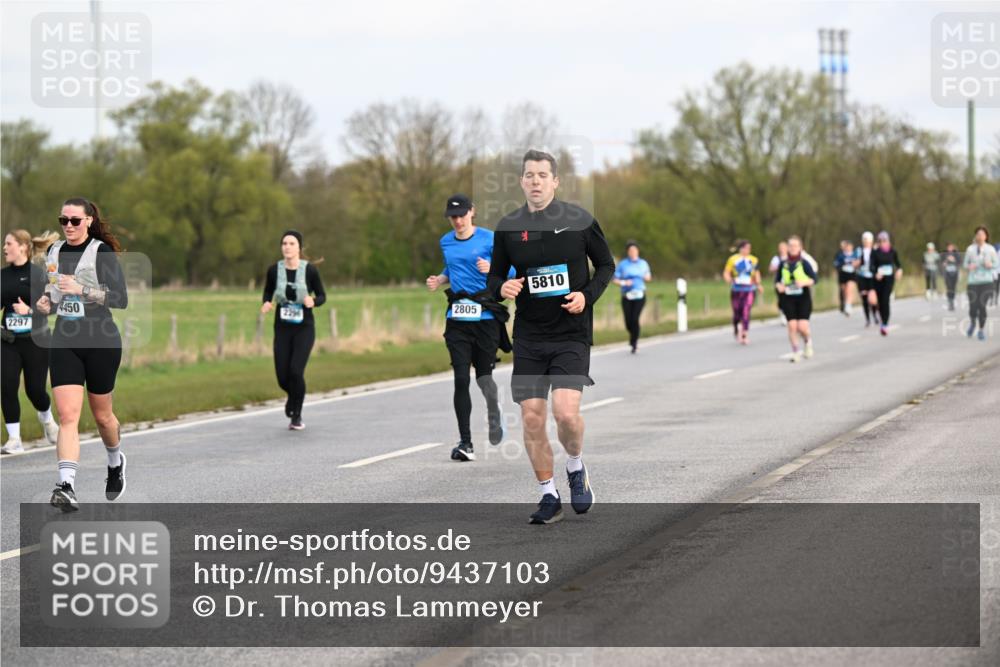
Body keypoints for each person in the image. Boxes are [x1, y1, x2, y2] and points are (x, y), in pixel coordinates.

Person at [487, 149, 614, 525]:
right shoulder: (509, 227)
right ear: (522, 182)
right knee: (531, 417)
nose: (536, 181)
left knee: (565, 414)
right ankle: (548, 494)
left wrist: (586, 296)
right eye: (529, 175)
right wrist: (503, 286)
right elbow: (494, 277)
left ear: (555, 181)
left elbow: (606, 264)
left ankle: (575, 465)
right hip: (529, 335)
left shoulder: (579, 220)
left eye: (543, 175)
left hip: (571, 334)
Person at [34, 198, 128, 512]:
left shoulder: (100, 252)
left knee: (102, 416)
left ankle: (115, 461)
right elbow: (54, 294)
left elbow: (120, 299)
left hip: (101, 339)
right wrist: (48, 304)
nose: (69, 226)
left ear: (88, 221)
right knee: (68, 416)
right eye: (64, 220)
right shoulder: (54, 252)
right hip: (65, 339)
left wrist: (82, 290)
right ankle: (67, 486)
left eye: (75, 220)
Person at [426, 194, 511, 462]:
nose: (458, 220)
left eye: (462, 214)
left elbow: (510, 270)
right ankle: (466, 443)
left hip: (485, 319)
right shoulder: (446, 241)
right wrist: (440, 279)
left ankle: (494, 414)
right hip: (458, 318)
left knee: (483, 377)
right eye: (453, 217)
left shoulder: (489, 238)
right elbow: (452, 267)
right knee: (461, 378)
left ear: (472, 212)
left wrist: (492, 269)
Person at [2, 230, 61, 454]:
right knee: (7, 386)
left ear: (23, 247)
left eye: (9, 244)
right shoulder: (2, 276)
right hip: (8, 340)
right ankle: (14, 439)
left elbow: (52, 307)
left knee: (35, 390)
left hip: (37, 340)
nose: (5, 248)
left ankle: (47, 420)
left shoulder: (38, 274)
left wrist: (30, 310)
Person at [261, 231, 326, 430]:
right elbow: (268, 290)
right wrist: (266, 302)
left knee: (296, 372)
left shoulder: (310, 271)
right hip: (282, 328)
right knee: (282, 376)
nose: (287, 246)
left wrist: (312, 301)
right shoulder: (274, 270)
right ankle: (292, 396)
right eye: (284, 243)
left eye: (292, 243)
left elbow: (322, 296)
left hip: (304, 328)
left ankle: (296, 415)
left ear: (299, 248)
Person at [775, 236, 817, 363]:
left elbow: (814, 279)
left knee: (802, 327)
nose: (793, 248)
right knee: (792, 326)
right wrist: (779, 287)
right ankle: (795, 351)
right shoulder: (783, 264)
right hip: (788, 298)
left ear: (800, 248)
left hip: (803, 297)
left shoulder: (804, 263)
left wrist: (804, 283)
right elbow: (777, 281)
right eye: (791, 245)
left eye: (795, 246)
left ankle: (808, 342)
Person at [613, 241, 652, 353]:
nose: (632, 252)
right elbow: (615, 279)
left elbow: (649, 277)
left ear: (638, 251)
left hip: (640, 294)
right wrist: (624, 283)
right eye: (630, 251)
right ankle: (633, 336)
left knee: (635, 318)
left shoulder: (643, 263)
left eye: (634, 250)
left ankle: (634, 343)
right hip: (627, 295)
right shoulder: (623, 264)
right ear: (627, 252)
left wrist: (646, 277)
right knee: (628, 321)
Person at [722, 240, 761, 344]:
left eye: (749, 248)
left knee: (746, 310)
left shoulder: (753, 260)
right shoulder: (733, 259)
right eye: (746, 248)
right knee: (737, 312)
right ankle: (736, 326)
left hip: (749, 289)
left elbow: (756, 274)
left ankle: (744, 333)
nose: (748, 250)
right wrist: (729, 279)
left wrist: (758, 285)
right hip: (736, 289)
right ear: (741, 248)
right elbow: (726, 272)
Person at [964, 226, 998, 341]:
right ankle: (973, 323)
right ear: (975, 236)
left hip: (987, 281)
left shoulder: (991, 249)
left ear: (986, 236)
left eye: (982, 234)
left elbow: (997, 264)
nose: (980, 236)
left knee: (982, 306)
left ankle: (981, 330)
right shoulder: (970, 249)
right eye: (978, 234)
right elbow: (964, 264)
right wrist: (969, 266)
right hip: (973, 281)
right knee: (973, 307)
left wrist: (990, 265)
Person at [870, 231, 903, 336]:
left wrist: (899, 271)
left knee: (885, 300)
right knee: (879, 302)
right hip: (878, 280)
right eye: (880, 241)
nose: (882, 242)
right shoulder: (875, 252)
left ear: (888, 241)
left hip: (889, 279)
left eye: (884, 240)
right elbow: (871, 266)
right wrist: (875, 273)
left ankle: (884, 324)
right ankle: (882, 319)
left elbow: (898, 264)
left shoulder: (893, 252)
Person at [855, 231, 879, 327]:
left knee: (872, 299)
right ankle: (868, 319)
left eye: (868, 240)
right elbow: (854, 263)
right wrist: (857, 262)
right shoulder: (858, 251)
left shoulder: (875, 250)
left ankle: (875, 315)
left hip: (872, 277)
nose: (866, 242)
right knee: (864, 298)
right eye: (864, 240)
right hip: (861, 276)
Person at [833, 240, 859, 317]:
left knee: (849, 289)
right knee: (844, 291)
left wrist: (856, 264)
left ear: (852, 247)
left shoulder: (855, 254)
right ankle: (846, 304)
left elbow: (859, 262)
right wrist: (842, 265)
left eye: (850, 246)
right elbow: (836, 263)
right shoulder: (840, 255)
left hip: (852, 274)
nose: (848, 248)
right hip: (843, 274)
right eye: (847, 247)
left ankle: (848, 305)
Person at [768, 241, 789, 324]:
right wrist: (778, 267)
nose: (782, 249)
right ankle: (782, 313)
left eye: (784, 247)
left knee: (789, 298)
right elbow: (771, 269)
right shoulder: (776, 258)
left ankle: (789, 314)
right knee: (781, 299)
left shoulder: (790, 257)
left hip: (789, 283)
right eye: (780, 248)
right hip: (780, 282)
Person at [941, 243, 962, 311]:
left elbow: (959, 262)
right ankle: (949, 302)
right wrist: (947, 260)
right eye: (949, 247)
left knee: (953, 288)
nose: (950, 248)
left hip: (954, 273)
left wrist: (953, 260)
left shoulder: (956, 254)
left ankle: (952, 301)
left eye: (951, 247)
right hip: (947, 273)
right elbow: (941, 263)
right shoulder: (944, 254)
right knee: (949, 287)